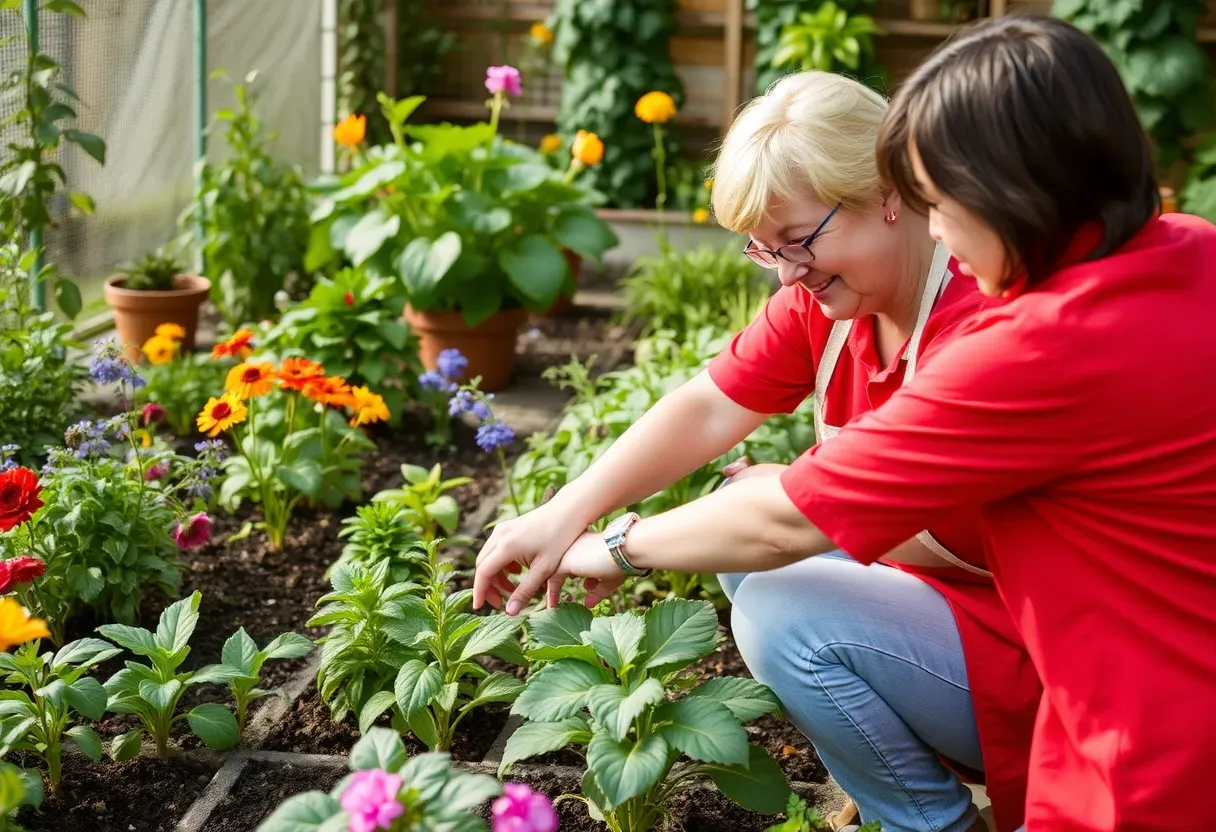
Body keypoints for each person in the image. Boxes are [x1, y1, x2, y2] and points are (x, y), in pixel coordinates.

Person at [477, 15, 1216, 832]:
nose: (938, 226)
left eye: (940, 201)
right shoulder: (1187, 252)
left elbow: (784, 522)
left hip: (1144, 735)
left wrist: (611, 544)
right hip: (1139, 663)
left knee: (773, 588)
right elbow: (715, 405)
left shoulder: (1035, 345)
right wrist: (567, 508)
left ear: (1007, 192)